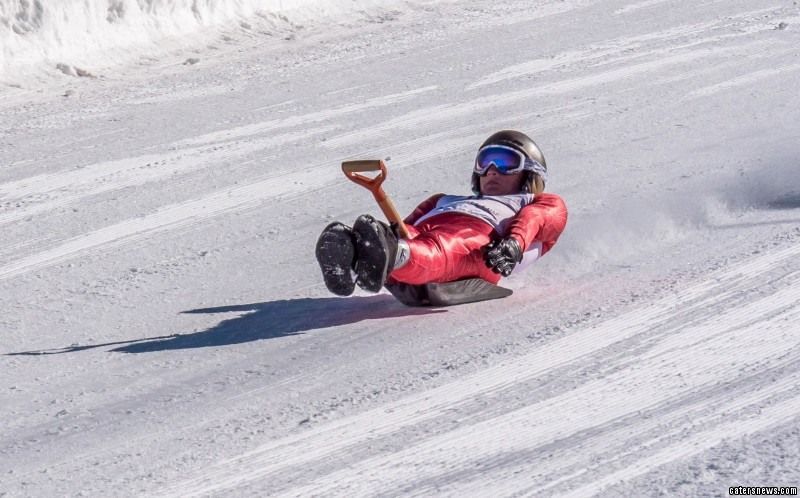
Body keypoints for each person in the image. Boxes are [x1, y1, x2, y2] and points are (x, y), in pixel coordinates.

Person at [315, 130, 568, 297]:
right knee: (410, 236)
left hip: (483, 247)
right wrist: (393, 234)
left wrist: (513, 244)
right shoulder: (443, 200)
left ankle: (394, 256)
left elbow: (536, 221)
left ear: (530, 174)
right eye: (485, 162)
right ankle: (356, 254)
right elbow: (408, 225)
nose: (491, 170)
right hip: (433, 229)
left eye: (504, 162)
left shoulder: (536, 201)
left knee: (444, 247)